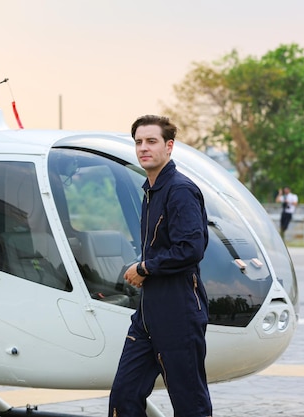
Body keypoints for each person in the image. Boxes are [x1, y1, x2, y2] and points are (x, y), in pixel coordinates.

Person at [108, 115, 212, 417]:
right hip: (148, 313)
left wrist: (145, 268)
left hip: (179, 311)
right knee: (124, 395)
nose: (143, 148)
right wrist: (146, 267)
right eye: (138, 142)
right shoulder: (151, 191)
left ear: (169, 146)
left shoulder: (180, 190)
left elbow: (191, 248)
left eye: (151, 141)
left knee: (189, 401)